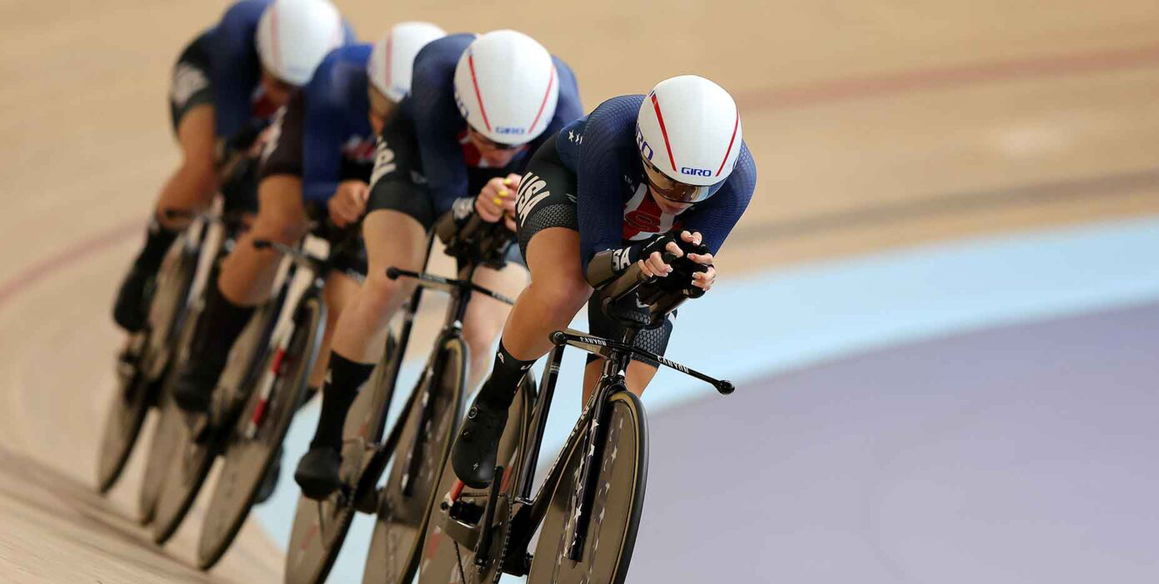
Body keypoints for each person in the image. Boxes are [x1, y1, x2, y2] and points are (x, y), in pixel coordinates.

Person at [293, 30, 583, 499]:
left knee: (482, 330)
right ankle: (325, 439)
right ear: (465, 110)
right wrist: (471, 206)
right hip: (421, 161)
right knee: (391, 280)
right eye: (490, 140)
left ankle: (426, 442)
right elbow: (448, 209)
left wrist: (518, 212)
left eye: (515, 145)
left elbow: (557, 207)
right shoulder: (434, 75)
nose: (501, 154)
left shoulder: (566, 113)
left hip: (507, 189)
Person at [450, 75, 757, 489]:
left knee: (635, 343)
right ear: (644, 153)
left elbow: (681, 266)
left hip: (640, 243)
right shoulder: (613, 130)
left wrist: (694, 279)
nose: (680, 198)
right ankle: (494, 399)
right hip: (569, 194)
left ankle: (580, 468)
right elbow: (595, 262)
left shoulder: (737, 180)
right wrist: (635, 258)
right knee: (566, 286)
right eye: (669, 182)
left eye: (698, 190)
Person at [170, 22, 446, 419]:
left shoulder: (439, 124)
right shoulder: (336, 79)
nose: (386, 126)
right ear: (368, 83)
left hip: (377, 185)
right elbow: (314, 179)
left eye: (401, 118)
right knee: (279, 225)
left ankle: (285, 417)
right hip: (311, 159)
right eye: (380, 107)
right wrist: (332, 194)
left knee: (350, 298)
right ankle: (206, 362)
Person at [112, 0, 351, 334]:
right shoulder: (239, 36)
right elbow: (231, 136)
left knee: (265, 218)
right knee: (206, 166)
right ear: (262, 57)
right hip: (211, 77)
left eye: (299, 90)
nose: (287, 99)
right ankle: (148, 264)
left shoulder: (341, 62)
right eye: (280, 84)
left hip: (277, 114)